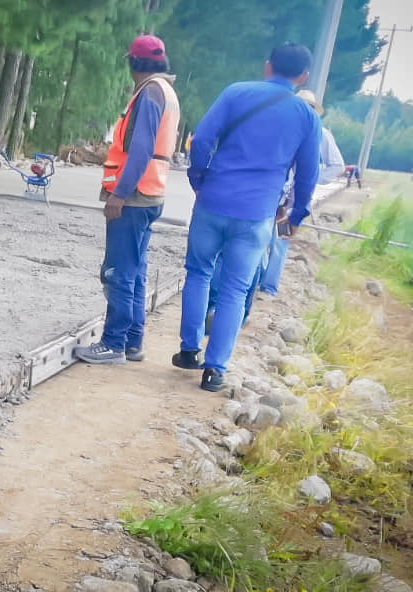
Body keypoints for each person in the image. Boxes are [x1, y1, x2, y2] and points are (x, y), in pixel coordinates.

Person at [175, 43, 320, 392]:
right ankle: (215, 371)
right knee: (235, 290)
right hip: (257, 214)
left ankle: (189, 350)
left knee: (198, 273)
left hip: (212, 201)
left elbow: (201, 139)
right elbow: (308, 174)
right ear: (304, 77)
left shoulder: (236, 92)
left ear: (267, 66)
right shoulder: (306, 116)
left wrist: (199, 179)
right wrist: (296, 214)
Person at [75, 35, 179, 365]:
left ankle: (113, 343)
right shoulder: (166, 91)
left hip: (134, 196)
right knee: (134, 271)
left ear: (133, 63)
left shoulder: (149, 93)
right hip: (151, 193)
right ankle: (133, 342)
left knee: (119, 271)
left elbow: (140, 150)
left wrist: (118, 195)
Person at [256, 89, 343, 295]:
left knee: (281, 239)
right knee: (259, 235)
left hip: (294, 197)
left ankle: (268, 287)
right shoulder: (282, 127)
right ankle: (258, 281)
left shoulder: (321, 133)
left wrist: (308, 179)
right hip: (274, 190)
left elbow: (337, 166)